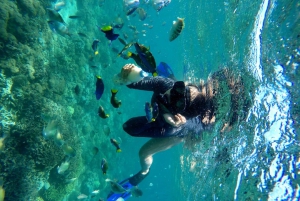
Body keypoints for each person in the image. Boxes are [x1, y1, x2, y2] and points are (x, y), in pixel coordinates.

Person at [107, 63, 252, 200]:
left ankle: (143, 173)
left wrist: (161, 118)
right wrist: (125, 76)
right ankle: (177, 80)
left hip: (183, 129)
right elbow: (127, 82)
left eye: (172, 100)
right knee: (172, 82)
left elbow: (129, 128)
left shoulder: (173, 125)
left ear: (179, 113)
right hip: (189, 106)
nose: (167, 96)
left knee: (144, 153)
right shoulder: (166, 85)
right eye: (177, 91)